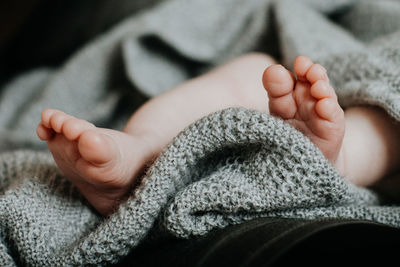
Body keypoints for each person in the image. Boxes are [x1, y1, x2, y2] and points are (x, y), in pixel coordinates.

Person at [36, 54, 400, 215]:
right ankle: (142, 153)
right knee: (253, 69)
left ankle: (333, 158)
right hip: (333, 63)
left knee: (388, 116)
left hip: (374, 102)